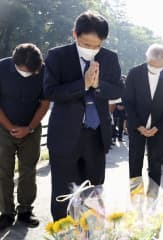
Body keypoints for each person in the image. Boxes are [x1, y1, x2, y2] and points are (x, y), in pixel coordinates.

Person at [44, 11, 123, 220]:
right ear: (75, 34)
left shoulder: (110, 57)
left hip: (95, 136)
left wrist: (98, 85)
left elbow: (118, 91)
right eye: (86, 44)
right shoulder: (57, 56)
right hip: (64, 136)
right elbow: (50, 91)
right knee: (62, 192)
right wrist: (83, 84)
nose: (91, 50)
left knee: (93, 192)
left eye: (96, 45)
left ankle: (89, 232)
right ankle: (62, 231)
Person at [0, 43, 49, 229]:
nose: (29, 74)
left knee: (28, 170)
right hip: (3, 127)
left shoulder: (43, 71)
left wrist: (29, 128)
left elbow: (45, 103)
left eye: (33, 72)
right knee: (4, 170)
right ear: (14, 64)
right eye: (24, 71)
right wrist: (10, 127)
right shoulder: (2, 68)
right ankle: (6, 212)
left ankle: (25, 210)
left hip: (32, 128)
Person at [125, 44, 163, 192]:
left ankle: (153, 196)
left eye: (159, 67)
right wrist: (137, 125)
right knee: (135, 160)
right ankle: (135, 194)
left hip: (159, 127)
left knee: (155, 162)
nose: (155, 70)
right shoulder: (135, 73)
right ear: (146, 58)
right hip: (137, 126)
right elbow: (128, 100)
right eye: (152, 66)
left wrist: (158, 126)